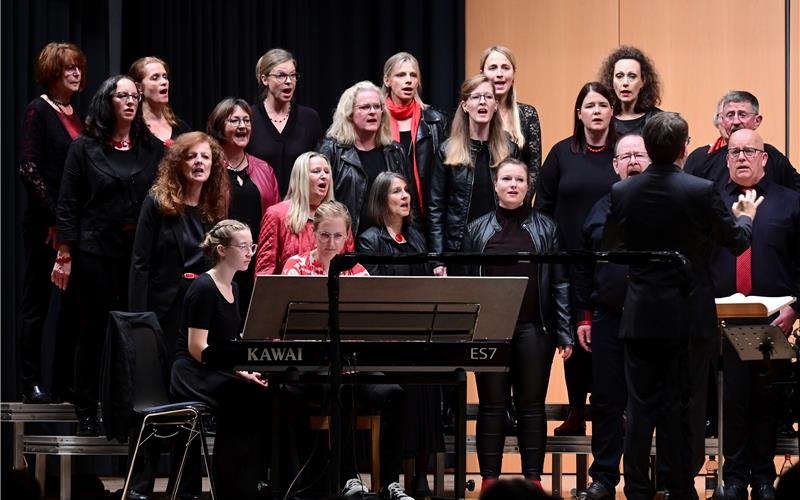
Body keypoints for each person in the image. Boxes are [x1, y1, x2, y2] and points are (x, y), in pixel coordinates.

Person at [602, 112, 761, 500]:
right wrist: (747, 217)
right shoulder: (701, 190)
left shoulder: (623, 192)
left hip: (641, 315)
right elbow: (737, 242)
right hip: (688, 317)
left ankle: (637, 488)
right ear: (683, 148)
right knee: (683, 406)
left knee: (639, 410)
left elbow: (613, 250)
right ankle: (679, 487)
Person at [53, 74, 163, 435]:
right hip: (94, 251)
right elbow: (68, 203)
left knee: (136, 332)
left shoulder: (151, 148)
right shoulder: (84, 148)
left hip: (138, 255)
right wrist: (64, 253)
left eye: (135, 97)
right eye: (123, 96)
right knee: (94, 331)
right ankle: (86, 407)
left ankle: (131, 409)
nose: (131, 102)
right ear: (107, 102)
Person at [282, 202, 414, 500]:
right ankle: (347, 478)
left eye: (338, 237)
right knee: (338, 392)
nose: (331, 243)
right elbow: (287, 321)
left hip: (352, 365)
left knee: (395, 394)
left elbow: (371, 324)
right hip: (313, 369)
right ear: (313, 233)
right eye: (325, 235)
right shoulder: (296, 265)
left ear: (347, 236)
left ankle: (390, 483)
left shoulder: (357, 269)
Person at [461, 158, 572, 493]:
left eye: (519, 180)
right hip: (489, 330)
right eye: (506, 179)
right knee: (492, 406)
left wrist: (564, 332)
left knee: (531, 405)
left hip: (533, 329)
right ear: (495, 186)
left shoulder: (547, 228)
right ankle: (489, 482)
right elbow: (465, 284)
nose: (513, 185)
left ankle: (533, 481)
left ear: (528, 186)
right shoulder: (476, 229)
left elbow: (560, 284)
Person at [708, 128, 800, 500]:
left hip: (773, 319)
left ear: (765, 158)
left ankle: (763, 477)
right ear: (726, 158)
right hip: (720, 322)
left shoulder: (791, 203)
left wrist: (796, 309)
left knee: (765, 400)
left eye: (750, 151)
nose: (742, 157)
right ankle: (732, 477)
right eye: (734, 151)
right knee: (730, 401)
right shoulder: (710, 203)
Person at [534, 82, 619, 437]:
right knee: (571, 338)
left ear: (612, 112)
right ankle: (575, 411)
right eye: (590, 105)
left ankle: (610, 411)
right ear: (579, 113)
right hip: (567, 259)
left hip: (611, 260)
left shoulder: (622, 154)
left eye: (602, 104)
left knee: (606, 337)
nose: (596, 111)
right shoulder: (561, 153)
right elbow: (543, 207)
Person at [572, 134, 651, 500]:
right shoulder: (601, 207)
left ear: (651, 161)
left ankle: (646, 480)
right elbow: (584, 267)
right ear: (615, 165)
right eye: (626, 156)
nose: (633, 160)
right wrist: (584, 316)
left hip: (655, 320)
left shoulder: (665, 206)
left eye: (640, 154)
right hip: (608, 317)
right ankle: (604, 478)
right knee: (606, 401)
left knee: (650, 401)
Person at [170, 219, 273, 500]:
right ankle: (232, 486)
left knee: (261, 393)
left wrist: (243, 371)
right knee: (242, 397)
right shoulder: (203, 288)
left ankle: (249, 481)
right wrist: (236, 372)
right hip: (192, 372)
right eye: (243, 246)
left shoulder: (235, 288)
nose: (250, 252)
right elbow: (197, 348)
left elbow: (230, 346)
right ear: (222, 250)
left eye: (251, 245)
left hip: (215, 369)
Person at [357, 172, 439, 497]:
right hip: (386, 339)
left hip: (417, 334)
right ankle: (395, 476)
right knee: (406, 381)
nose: (405, 196)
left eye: (407, 191)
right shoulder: (370, 239)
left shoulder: (417, 238)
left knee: (430, 382)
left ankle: (421, 473)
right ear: (381, 199)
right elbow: (373, 292)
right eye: (396, 192)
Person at [18, 42, 86, 404]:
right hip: (46, 226)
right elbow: (29, 169)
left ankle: (64, 382)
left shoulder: (79, 114)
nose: (76, 73)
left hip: (73, 227)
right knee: (38, 304)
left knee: (73, 308)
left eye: (78, 67)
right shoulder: (38, 111)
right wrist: (57, 216)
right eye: (68, 68)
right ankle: (30, 381)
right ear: (52, 72)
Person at [129, 131, 230, 353]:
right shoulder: (157, 203)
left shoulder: (213, 209)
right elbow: (140, 263)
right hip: (166, 303)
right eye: (191, 156)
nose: (199, 162)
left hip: (201, 301)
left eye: (205, 157)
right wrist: (138, 317)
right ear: (178, 163)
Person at [427, 74, 516, 275]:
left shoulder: (510, 151)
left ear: (496, 105)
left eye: (488, 97)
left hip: (499, 246)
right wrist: (437, 259)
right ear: (465, 106)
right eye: (475, 97)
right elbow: (436, 208)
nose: (482, 102)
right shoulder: (446, 151)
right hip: (458, 249)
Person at [207, 97, 280, 323]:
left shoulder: (264, 169)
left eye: (247, 120)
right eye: (234, 120)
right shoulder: (209, 168)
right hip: (220, 261)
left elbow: (276, 217)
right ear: (220, 127)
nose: (242, 126)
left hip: (256, 261)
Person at [317, 81, 413, 237]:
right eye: (364, 107)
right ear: (349, 113)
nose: (373, 112)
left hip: (388, 244)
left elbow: (409, 202)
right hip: (347, 243)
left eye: (377, 107)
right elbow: (318, 203)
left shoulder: (395, 151)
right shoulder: (332, 150)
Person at [254, 151, 354, 275]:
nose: (324, 176)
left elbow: (350, 269)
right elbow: (264, 273)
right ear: (301, 177)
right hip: (290, 292)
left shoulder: (339, 217)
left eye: (327, 172)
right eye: (316, 171)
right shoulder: (276, 215)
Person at [684, 90, 800, 192]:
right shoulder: (701, 159)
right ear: (722, 121)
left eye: (742, 115)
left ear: (757, 121)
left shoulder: (773, 157)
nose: (735, 121)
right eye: (730, 115)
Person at [247, 48, 323, 197]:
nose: (289, 82)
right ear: (264, 79)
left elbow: (320, 166)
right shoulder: (249, 118)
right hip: (260, 207)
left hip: (300, 208)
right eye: (281, 76)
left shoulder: (309, 118)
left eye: (293, 75)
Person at [381, 52, 448, 219]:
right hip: (385, 209)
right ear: (387, 80)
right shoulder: (376, 119)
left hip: (425, 211)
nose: (408, 80)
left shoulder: (435, 121)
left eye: (413, 75)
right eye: (401, 75)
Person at [479, 45, 543, 190]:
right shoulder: (474, 113)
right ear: (482, 74)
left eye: (505, 68)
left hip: (516, 203)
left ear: (514, 74)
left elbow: (534, 168)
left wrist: (520, 202)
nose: (500, 73)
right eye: (493, 68)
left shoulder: (528, 114)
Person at [599, 46, 663, 135]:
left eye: (632, 76)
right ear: (611, 81)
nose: (625, 83)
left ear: (642, 81)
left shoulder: (658, 121)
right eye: (619, 76)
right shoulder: (602, 119)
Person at [128, 56, 192, 147]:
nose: (164, 82)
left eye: (165, 77)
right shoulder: (132, 129)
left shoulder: (181, 128)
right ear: (139, 87)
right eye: (155, 78)